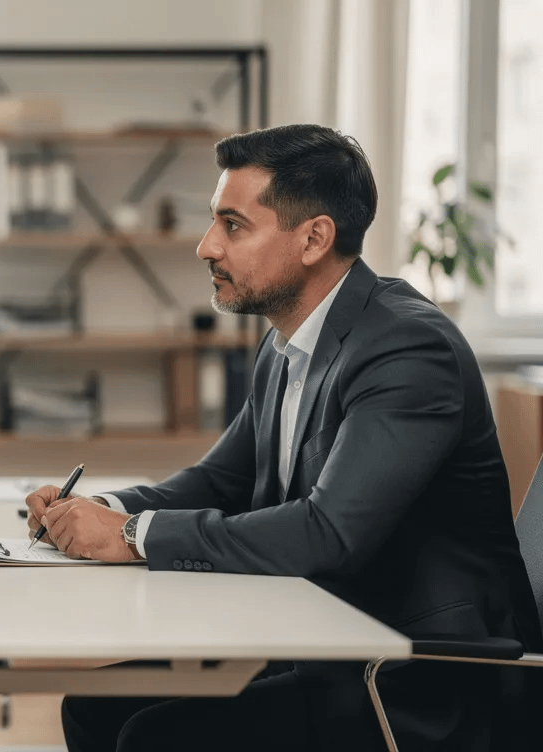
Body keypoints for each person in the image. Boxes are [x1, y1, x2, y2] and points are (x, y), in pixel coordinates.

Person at [27, 124, 542, 751]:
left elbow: (328, 533)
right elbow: (220, 481)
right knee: (95, 707)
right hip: (329, 640)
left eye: (233, 225)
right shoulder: (286, 344)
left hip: (424, 675)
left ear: (314, 239)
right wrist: (98, 510)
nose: (205, 246)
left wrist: (131, 535)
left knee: (156, 737)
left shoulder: (408, 349)